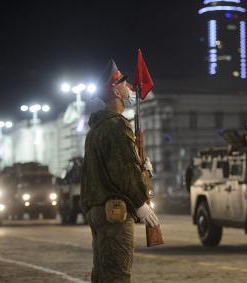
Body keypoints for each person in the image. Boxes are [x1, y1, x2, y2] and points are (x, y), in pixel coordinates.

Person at [81, 59, 160, 283]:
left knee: (103, 273)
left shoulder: (96, 129)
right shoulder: (117, 125)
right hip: (115, 212)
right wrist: (141, 203)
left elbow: (97, 172)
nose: (129, 87)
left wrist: (140, 162)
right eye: (124, 83)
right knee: (117, 274)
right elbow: (122, 172)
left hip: (98, 210)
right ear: (115, 90)